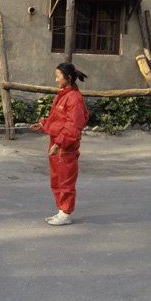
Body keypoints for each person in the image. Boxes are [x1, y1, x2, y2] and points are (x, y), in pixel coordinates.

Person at [30, 63, 89, 226]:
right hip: (57, 143)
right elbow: (58, 119)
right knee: (56, 180)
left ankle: (66, 213)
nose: (56, 80)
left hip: (65, 147)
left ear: (68, 78)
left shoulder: (74, 98)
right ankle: (62, 211)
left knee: (65, 181)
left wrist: (59, 143)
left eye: (58, 76)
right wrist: (43, 124)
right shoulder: (64, 94)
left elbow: (73, 126)